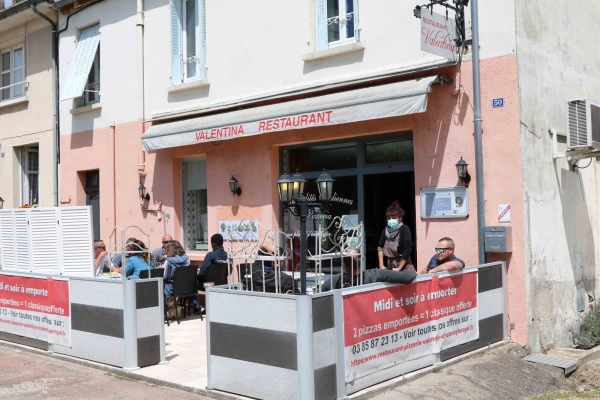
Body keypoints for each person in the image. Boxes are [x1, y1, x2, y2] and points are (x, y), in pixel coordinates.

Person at [321, 249, 417, 292]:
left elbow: (319, 292)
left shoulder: (336, 281)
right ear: (362, 259)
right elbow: (406, 277)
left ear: (344, 265)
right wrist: (413, 273)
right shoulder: (374, 275)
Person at [377, 201, 414, 271]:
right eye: (389, 218)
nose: (391, 220)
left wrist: (399, 268)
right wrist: (381, 265)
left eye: (393, 218)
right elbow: (380, 248)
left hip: (404, 267)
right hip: (390, 265)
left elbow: (408, 249)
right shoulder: (385, 230)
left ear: (400, 218)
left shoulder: (404, 229)